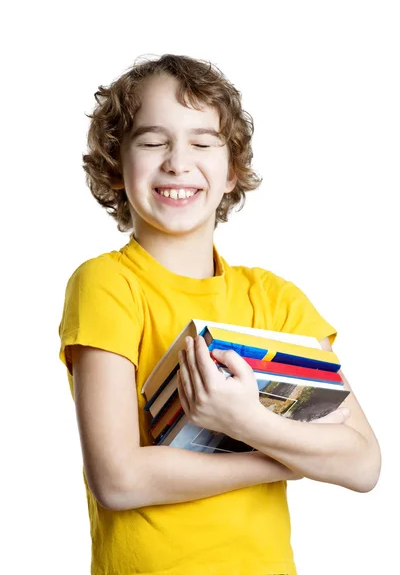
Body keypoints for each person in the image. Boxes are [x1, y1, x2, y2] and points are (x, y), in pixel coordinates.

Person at [58, 53, 381, 575]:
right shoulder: (107, 284)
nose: (178, 162)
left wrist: (246, 422)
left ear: (232, 171)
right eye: (153, 141)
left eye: (203, 143)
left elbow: (363, 463)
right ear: (117, 165)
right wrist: (281, 454)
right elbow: (118, 479)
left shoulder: (275, 299)